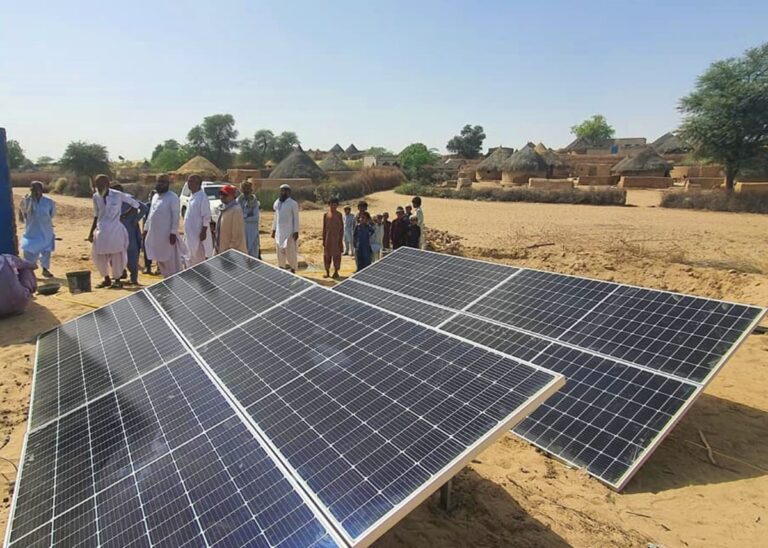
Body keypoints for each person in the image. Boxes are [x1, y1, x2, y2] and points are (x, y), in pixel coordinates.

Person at [88, 174, 140, 288]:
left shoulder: (117, 195)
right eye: (97, 185)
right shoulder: (96, 196)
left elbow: (135, 205)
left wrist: (126, 216)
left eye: (101, 185)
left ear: (107, 184)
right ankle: (106, 279)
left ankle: (117, 280)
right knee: (99, 255)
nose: (99, 187)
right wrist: (90, 233)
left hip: (116, 230)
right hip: (101, 231)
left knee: (118, 256)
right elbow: (96, 215)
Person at [144, 174, 183, 277]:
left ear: (168, 184)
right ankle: (167, 282)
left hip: (168, 236)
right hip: (155, 236)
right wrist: (146, 229)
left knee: (171, 263)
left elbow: (176, 216)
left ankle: (175, 284)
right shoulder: (155, 197)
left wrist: (173, 232)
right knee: (161, 262)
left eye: (163, 182)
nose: (160, 184)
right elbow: (150, 215)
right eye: (159, 182)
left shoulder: (173, 197)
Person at [18, 181, 55, 278]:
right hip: (31, 231)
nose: (36, 191)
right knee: (29, 250)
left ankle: (45, 269)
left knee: (46, 251)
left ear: (41, 190)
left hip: (45, 230)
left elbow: (51, 214)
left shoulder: (48, 201)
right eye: (33, 189)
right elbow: (22, 213)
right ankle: (30, 271)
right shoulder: (26, 200)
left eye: (38, 189)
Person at [111, 183, 145, 285]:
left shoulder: (129, 199)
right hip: (117, 233)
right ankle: (120, 276)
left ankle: (133, 279)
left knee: (131, 256)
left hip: (129, 232)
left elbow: (144, 208)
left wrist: (136, 219)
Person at [183, 175, 213, 267]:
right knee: (189, 258)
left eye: (191, 181)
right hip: (190, 235)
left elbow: (206, 216)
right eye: (188, 181)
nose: (189, 183)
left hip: (198, 235)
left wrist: (203, 231)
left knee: (198, 261)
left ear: (198, 184)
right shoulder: (193, 196)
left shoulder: (202, 197)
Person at [271, 184, 300, 273]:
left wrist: (296, 231)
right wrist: (273, 229)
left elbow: (296, 218)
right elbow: (276, 217)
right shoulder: (277, 203)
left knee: (290, 251)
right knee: (279, 251)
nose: (283, 192)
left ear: (288, 192)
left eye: (285, 191)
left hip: (290, 232)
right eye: (281, 191)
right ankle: (281, 268)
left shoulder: (293, 204)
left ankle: (293, 268)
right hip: (279, 232)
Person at [215, 185, 247, 253]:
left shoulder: (236, 210)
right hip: (221, 249)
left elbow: (237, 234)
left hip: (232, 253)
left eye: (225, 194)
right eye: (221, 194)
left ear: (232, 196)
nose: (222, 197)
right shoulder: (222, 209)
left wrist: (230, 250)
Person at [237, 179, 261, 258]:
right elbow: (237, 215)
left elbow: (255, 217)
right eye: (244, 189)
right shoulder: (238, 201)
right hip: (241, 231)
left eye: (248, 189)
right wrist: (247, 215)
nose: (246, 191)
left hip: (252, 231)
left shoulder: (254, 202)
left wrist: (244, 216)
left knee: (253, 255)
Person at [322, 197, 344, 279]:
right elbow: (324, 228)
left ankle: (336, 271)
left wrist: (340, 239)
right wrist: (324, 239)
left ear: (337, 205)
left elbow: (341, 229)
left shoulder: (339, 215)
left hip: (337, 239)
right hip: (328, 239)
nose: (333, 206)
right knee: (327, 256)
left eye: (335, 205)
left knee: (337, 256)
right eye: (331, 204)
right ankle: (327, 272)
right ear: (329, 205)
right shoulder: (326, 215)